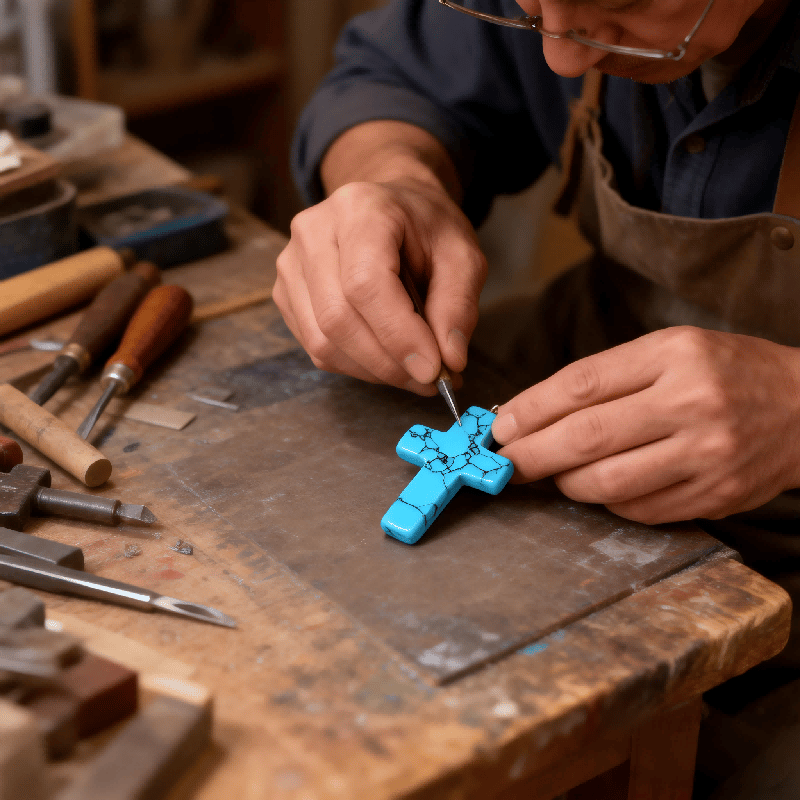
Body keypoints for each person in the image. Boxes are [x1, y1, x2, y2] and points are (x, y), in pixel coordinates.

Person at [276, 2, 800, 791]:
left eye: (617, 5)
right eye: (531, 9)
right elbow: (394, 76)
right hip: (580, 361)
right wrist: (391, 176)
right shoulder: (568, 18)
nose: (560, 56)